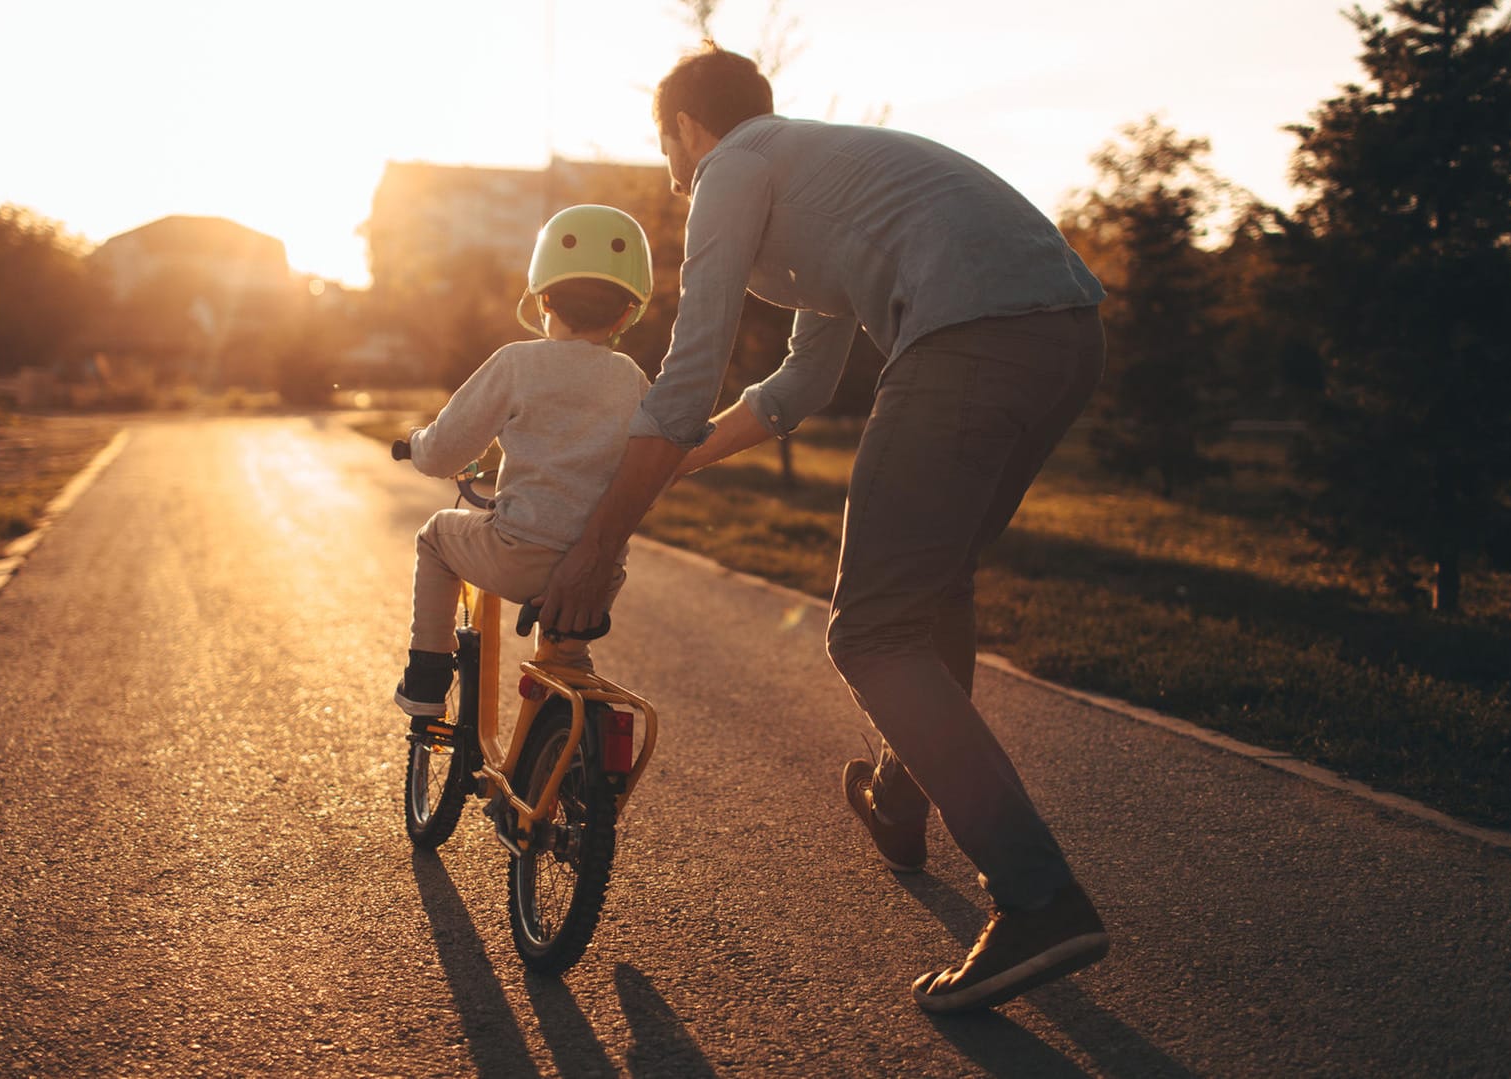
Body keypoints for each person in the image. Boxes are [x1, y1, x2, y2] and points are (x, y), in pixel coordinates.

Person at [534, 43, 1111, 1013]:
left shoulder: (734, 167)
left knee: (868, 630)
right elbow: (798, 385)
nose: (671, 168)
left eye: (663, 142)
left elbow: (688, 375)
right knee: (932, 594)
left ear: (683, 128)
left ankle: (1038, 894)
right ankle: (900, 794)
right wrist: (663, 468)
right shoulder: (821, 174)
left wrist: (600, 538)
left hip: (968, 340)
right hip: (1065, 335)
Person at [394, 204, 654, 733]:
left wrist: (419, 447)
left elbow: (444, 451)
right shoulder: (631, 378)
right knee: (567, 664)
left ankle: (426, 680)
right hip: (598, 575)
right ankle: (565, 750)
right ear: (627, 313)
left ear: (543, 298)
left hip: (518, 557)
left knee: (436, 537)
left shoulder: (518, 363)